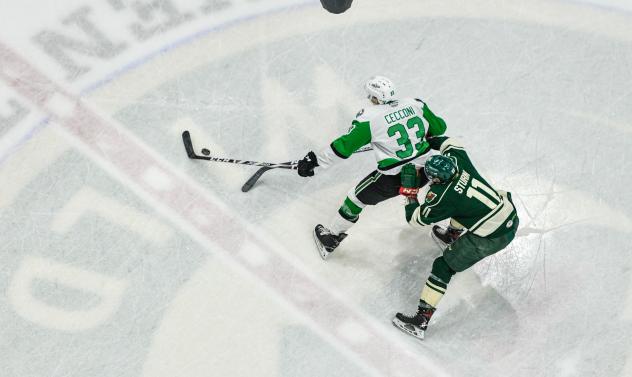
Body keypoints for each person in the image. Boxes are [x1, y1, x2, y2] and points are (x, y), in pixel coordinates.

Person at [296, 76, 448, 259]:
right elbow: (439, 128)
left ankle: (331, 238)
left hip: (395, 176)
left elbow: (343, 147)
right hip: (429, 169)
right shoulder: (415, 104)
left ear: (374, 97)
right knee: (450, 193)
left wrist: (314, 161)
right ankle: (450, 234)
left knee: (355, 198)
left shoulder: (369, 118)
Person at [392, 136, 519, 340]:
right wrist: (428, 141)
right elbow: (449, 142)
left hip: (494, 236)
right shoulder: (458, 160)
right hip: (509, 214)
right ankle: (452, 235)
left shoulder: (442, 196)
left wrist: (410, 193)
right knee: (466, 208)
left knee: (443, 267)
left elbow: (415, 220)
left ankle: (421, 321)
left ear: (436, 179)